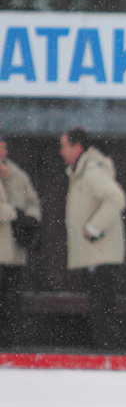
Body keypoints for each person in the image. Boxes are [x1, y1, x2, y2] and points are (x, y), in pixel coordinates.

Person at [59, 127, 126, 351]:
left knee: (102, 307)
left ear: (78, 147)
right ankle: (104, 350)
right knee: (100, 306)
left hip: (101, 254)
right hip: (96, 254)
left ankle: (106, 352)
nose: (61, 152)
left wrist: (93, 228)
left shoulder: (91, 172)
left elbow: (116, 198)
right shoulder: (82, 171)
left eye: (64, 146)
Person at [0, 134, 41, 348]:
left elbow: (32, 202)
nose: (2, 153)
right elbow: (12, 209)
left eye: (4, 148)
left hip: (14, 252)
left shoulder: (17, 175)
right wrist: (13, 212)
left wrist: (31, 219)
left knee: (11, 302)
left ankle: (10, 344)